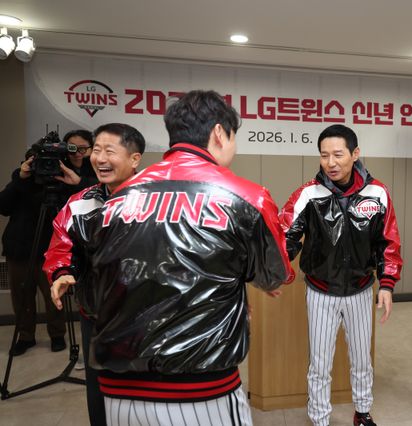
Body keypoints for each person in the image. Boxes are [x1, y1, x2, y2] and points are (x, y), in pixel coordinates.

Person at [53, 90, 294, 426]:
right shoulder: (246, 196)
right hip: (201, 386)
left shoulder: (115, 200)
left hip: (118, 389)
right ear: (219, 133)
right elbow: (275, 274)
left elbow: (96, 290)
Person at [280, 124, 403, 426]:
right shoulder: (308, 194)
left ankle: (362, 413)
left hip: (360, 290)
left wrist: (387, 284)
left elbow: (388, 242)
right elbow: (285, 236)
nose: (330, 163)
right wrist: (271, 270)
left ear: (355, 153)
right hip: (320, 291)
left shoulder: (377, 193)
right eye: (324, 155)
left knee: (362, 360)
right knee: (320, 364)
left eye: (338, 154)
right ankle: (319, 419)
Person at [45, 123, 145, 426]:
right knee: (100, 390)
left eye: (109, 151)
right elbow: (62, 247)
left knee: (148, 391)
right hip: (96, 314)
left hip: (148, 315)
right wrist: (63, 272)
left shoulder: (160, 200)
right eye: (96, 150)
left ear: (135, 158)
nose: (100, 158)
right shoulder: (79, 203)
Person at [0, 131, 97, 357]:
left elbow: (86, 202)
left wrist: (71, 182)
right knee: (22, 296)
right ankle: (25, 336)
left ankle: (57, 334)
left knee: (55, 295)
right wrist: (21, 178)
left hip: (52, 249)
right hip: (20, 247)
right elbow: (3, 206)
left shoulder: (65, 177)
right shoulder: (22, 180)